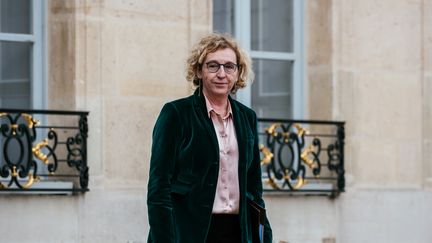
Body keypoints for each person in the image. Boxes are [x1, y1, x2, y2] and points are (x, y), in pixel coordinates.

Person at [147, 33, 272, 243]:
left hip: (238, 232)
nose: (222, 74)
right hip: (188, 232)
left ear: (238, 72)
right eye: (213, 65)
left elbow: (253, 190)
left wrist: (263, 236)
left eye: (229, 66)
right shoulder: (176, 113)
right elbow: (159, 188)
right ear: (199, 70)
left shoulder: (247, 117)